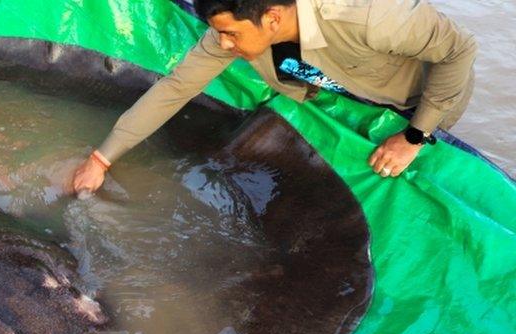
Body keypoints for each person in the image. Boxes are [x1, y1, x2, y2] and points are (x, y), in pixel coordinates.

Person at [71, 0, 476, 193]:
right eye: (220, 32)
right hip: (338, 88)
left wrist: (414, 137)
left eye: (232, 33)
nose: (224, 46)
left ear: (273, 17)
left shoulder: (368, 16)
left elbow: (459, 51)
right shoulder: (231, 33)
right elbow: (176, 88)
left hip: (415, 100)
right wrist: (101, 158)